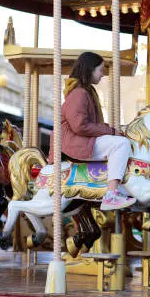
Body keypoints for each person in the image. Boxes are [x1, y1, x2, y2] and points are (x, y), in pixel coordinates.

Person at [49, 52, 135, 211]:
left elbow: (90, 124)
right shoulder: (79, 93)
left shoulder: (85, 91)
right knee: (121, 144)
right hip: (74, 143)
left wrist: (114, 130)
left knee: (119, 140)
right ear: (90, 70)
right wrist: (110, 131)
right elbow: (80, 125)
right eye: (100, 70)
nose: (102, 75)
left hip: (78, 140)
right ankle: (111, 194)